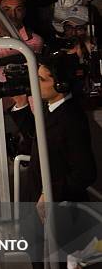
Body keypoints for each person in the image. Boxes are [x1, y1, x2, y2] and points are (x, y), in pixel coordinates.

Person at [10, 53, 96, 204]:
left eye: (42, 79)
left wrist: (50, 193)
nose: (35, 83)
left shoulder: (72, 118)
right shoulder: (49, 107)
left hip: (61, 210)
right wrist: (21, 104)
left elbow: (85, 173)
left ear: (61, 85)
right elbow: (36, 139)